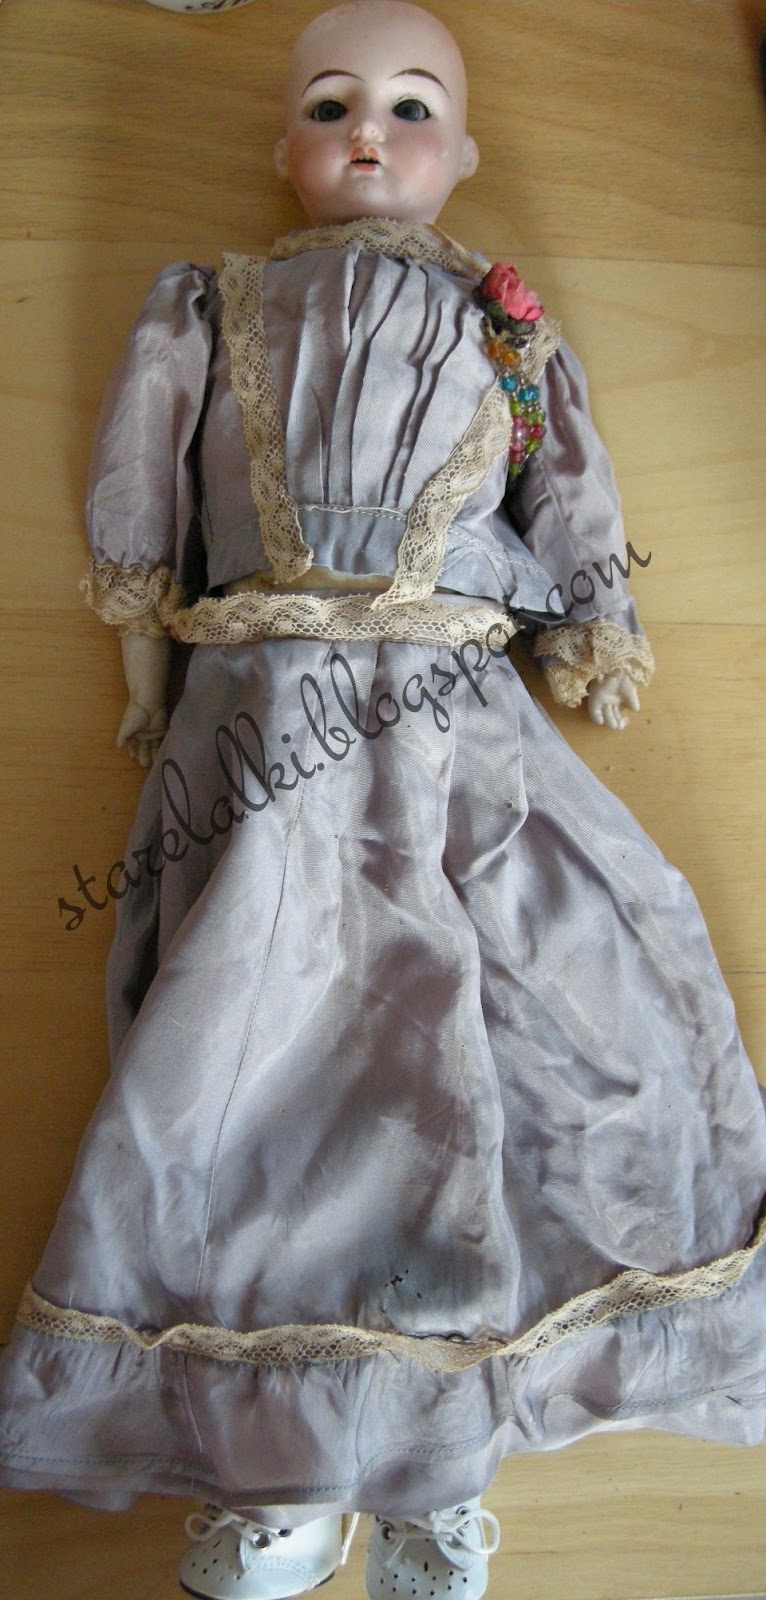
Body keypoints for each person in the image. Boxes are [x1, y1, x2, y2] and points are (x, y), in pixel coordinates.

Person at [1, 5, 764, 1599]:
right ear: (283, 148)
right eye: (332, 102)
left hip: (455, 708)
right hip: (264, 700)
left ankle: (448, 1440)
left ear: (462, 153)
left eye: (412, 107)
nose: (369, 129)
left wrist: (589, 624)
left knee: (537, 1009)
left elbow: (564, 476)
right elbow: (142, 478)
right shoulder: (209, 301)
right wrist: (144, 667)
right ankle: (289, 1456)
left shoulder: (506, 322)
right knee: (260, 1050)